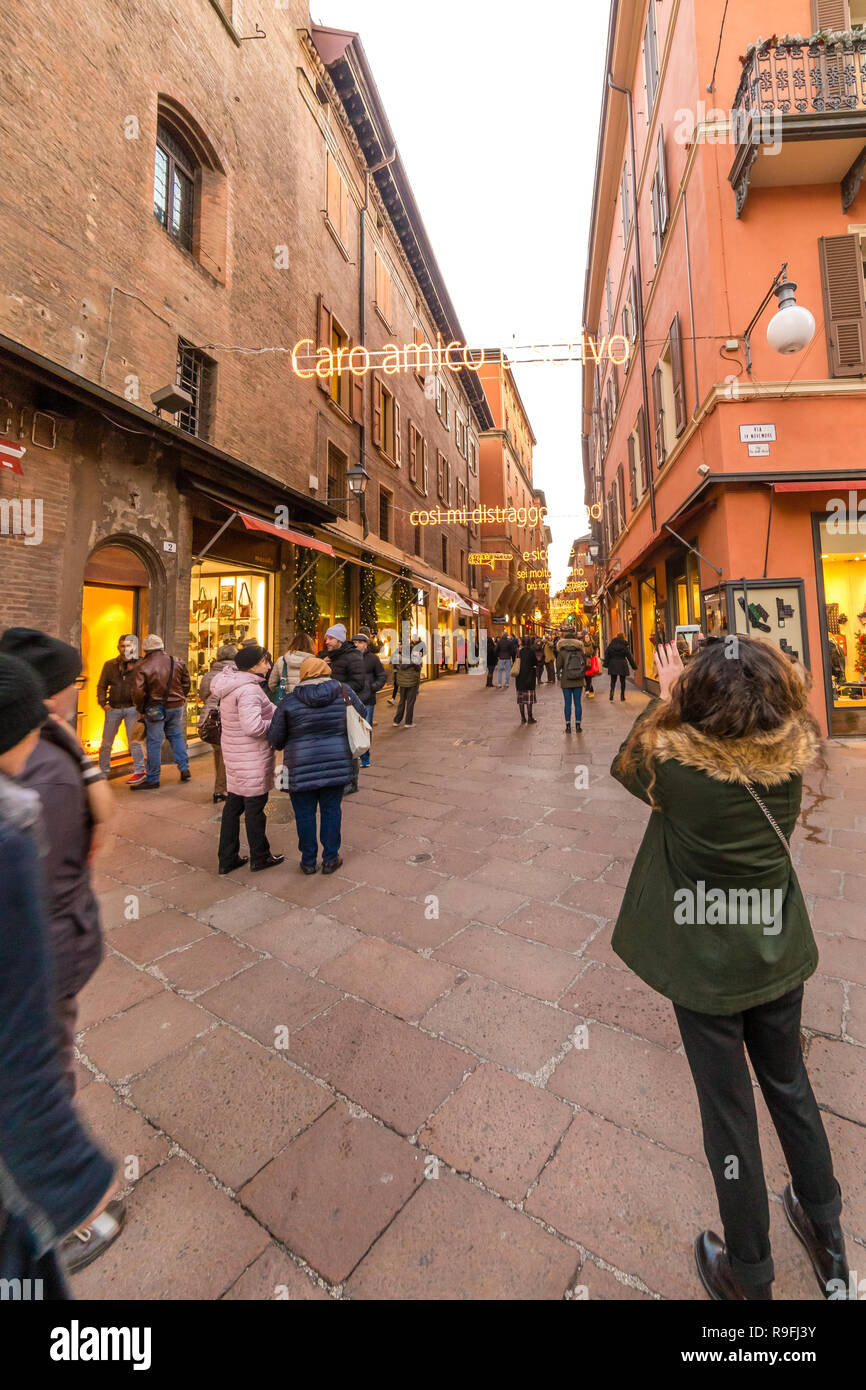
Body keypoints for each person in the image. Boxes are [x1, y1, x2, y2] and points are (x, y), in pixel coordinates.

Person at [610, 637, 848, 1302]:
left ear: (701, 704)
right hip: (777, 951)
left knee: (729, 1114)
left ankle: (748, 1272)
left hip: (710, 967)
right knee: (791, 1089)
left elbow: (628, 764)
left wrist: (667, 697)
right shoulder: (793, 763)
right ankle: (829, 1237)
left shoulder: (675, 773)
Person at [0, 628, 125, 1272]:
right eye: (73, 682)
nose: (82, 689)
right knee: (40, 1069)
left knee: (42, 1069)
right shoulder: (46, 757)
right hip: (48, 951)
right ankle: (59, 1214)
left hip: (52, 949)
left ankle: (60, 1214)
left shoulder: (47, 756)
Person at [268, 655, 366, 874]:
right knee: (332, 810)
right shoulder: (343, 692)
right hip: (336, 762)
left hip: (300, 767)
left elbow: (275, 738)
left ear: (303, 674)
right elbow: (362, 713)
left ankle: (308, 860)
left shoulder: (290, 700)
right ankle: (330, 858)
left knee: (304, 814)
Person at [211, 645, 282, 874]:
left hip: (235, 754)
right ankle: (259, 856)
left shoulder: (235, 683)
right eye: (265, 662)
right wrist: (277, 725)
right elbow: (253, 727)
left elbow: (269, 709)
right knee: (254, 808)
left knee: (234, 806)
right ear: (253, 666)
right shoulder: (249, 690)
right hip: (251, 756)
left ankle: (227, 858)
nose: (269, 666)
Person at [130, 635, 191, 789]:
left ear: (146, 649)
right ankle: (184, 768)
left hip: (154, 707)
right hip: (176, 705)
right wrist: (180, 697)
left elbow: (138, 692)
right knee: (176, 735)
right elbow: (186, 683)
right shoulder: (176, 661)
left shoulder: (142, 665)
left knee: (154, 742)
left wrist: (141, 708)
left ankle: (153, 778)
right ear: (161, 647)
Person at [96, 634, 146, 785]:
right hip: (114, 709)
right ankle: (103, 772)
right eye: (122, 646)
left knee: (135, 742)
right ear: (118, 647)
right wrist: (103, 702)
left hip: (133, 709)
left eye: (128, 646)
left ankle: (139, 771)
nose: (125, 649)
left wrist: (141, 706)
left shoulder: (141, 664)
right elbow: (102, 685)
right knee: (106, 743)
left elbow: (147, 686)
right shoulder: (110, 665)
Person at [198, 644, 237, 804]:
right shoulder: (236, 673)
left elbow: (202, 694)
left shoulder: (210, 673)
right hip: (226, 717)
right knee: (225, 755)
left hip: (210, 718)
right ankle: (220, 789)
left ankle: (221, 786)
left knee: (218, 752)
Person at [353, 632, 386, 769]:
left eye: (360, 642)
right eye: (355, 642)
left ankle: (365, 758)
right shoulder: (349, 658)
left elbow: (382, 675)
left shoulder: (372, 659)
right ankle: (353, 755)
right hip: (352, 699)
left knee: (366, 728)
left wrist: (372, 688)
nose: (357, 645)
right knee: (352, 728)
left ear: (366, 644)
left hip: (368, 699)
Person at [268, 632, 315, 707]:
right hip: (306, 704)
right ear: (311, 646)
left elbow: (272, 684)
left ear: (292, 644)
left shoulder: (282, 660)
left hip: (285, 703)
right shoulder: (315, 663)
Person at [555, 627, 587, 733]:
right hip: (578, 680)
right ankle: (578, 726)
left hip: (566, 680)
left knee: (567, 704)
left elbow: (558, 665)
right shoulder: (580, 650)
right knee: (578, 703)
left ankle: (568, 726)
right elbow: (585, 664)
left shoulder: (562, 651)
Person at [318, 623, 366, 694]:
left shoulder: (353, 656)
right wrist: (321, 663)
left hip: (341, 702)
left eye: (330, 638)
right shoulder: (324, 655)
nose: (327, 642)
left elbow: (358, 684)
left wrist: (334, 689)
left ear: (339, 640)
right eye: (326, 639)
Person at [393, 635, 424, 727]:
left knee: (402, 701)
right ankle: (408, 722)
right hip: (412, 683)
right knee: (410, 702)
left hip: (402, 683)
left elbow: (395, 668)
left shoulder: (398, 658)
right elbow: (418, 669)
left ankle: (396, 721)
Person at [603, 631, 637, 701]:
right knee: (622, 681)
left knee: (613, 680)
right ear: (623, 637)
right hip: (622, 664)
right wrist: (634, 666)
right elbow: (629, 656)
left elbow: (607, 653)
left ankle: (611, 693)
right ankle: (622, 696)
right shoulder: (624, 645)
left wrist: (606, 664)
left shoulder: (611, 644)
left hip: (613, 663)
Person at [514, 635, 539, 725]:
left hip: (520, 679)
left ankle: (523, 718)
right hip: (529, 678)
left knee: (521, 700)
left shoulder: (518, 652)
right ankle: (530, 717)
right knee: (529, 700)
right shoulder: (531, 652)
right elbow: (535, 663)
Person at [582, 628, 598, 698]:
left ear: (589, 637)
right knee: (585, 677)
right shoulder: (581, 645)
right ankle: (591, 690)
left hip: (590, 662)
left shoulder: (593, 644)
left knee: (589, 677)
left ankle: (587, 690)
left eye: (587, 637)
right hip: (583, 662)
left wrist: (592, 656)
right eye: (585, 637)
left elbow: (595, 653)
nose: (586, 638)